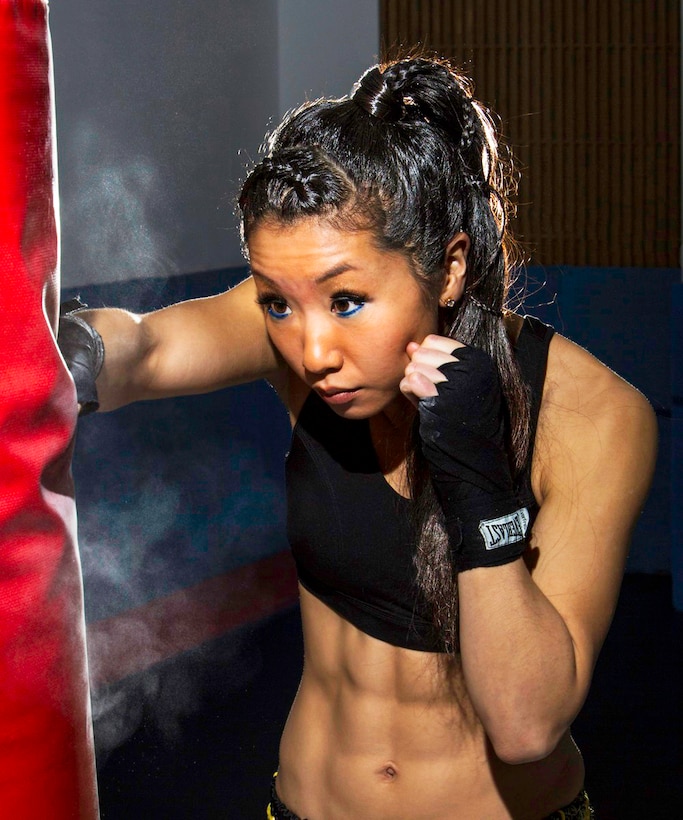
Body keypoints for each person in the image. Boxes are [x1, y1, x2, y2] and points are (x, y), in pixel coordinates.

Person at [59, 57, 657, 819]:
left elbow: (527, 724)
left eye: (347, 301)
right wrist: (54, 356)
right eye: (276, 302)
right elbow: (143, 349)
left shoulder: (593, 414)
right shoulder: (302, 330)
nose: (310, 351)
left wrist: (478, 482)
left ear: (447, 268)